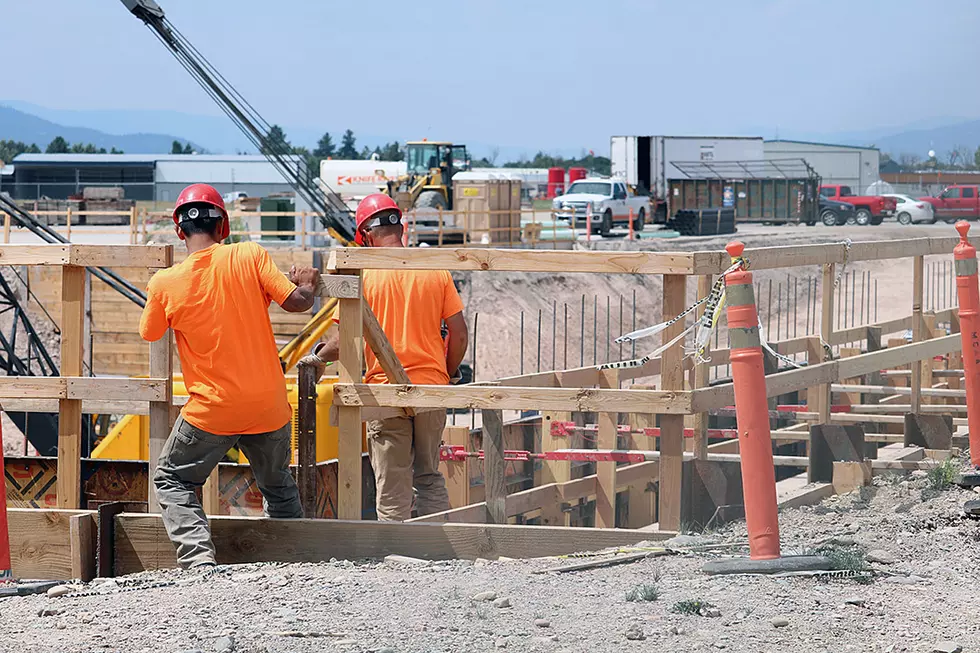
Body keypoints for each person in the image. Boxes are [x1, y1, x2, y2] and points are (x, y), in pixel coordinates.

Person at [139, 183, 321, 569]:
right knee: (278, 486)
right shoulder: (249, 255)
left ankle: (199, 560)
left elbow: (150, 332)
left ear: (178, 230)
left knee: (173, 479)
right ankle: (294, 562)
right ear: (223, 227)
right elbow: (298, 303)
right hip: (268, 405)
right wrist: (307, 282)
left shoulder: (164, 283)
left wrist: (164, 294)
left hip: (213, 410)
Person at [302, 193, 468, 521]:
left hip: (384, 393)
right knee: (429, 476)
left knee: (392, 486)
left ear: (364, 235)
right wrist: (446, 374)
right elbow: (459, 334)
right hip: (431, 391)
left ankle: (395, 558)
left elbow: (345, 339)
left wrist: (318, 358)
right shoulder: (434, 270)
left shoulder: (364, 276)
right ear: (401, 226)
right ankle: (438, 553)